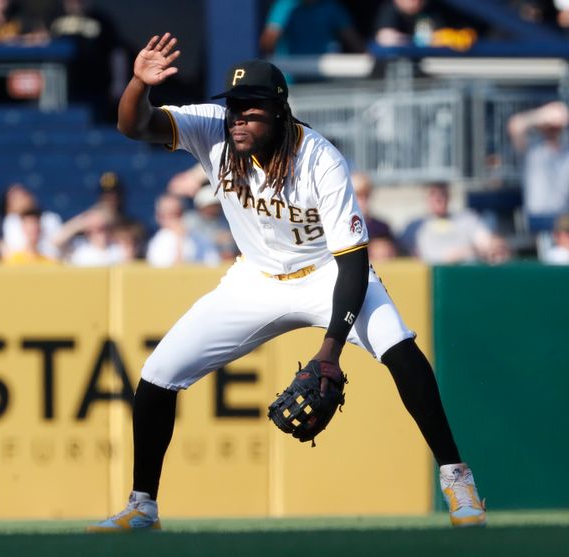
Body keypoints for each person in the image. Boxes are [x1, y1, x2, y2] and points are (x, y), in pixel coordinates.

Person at [88, 33, 486, 532]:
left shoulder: (320, 159)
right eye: (234, 109)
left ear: (280, 112)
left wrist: (330, 351)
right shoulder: (214, 128)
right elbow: (134, 125)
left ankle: (457, 478)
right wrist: (137, 85)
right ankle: (142, 505)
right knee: (157, 377)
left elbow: (354, 262)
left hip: (327, 273)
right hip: (254, 278)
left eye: (251, 111)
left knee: (401, 349)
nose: (238, 120)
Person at [414, 182, 507, 265]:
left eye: (442, 194)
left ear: (449, 196)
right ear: (426, 199)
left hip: (470, 275)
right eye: (433, 194)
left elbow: (485, 242)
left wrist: (494, 246)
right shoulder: (421, 229)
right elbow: (436, 261)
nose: (438, 198)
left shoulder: (467, 219)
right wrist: (468, 251)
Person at [507, 100, 569, 222]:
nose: (553, 130)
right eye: (549, 126)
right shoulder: (532, 149)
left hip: (564, 218)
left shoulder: (566, 151)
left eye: (556, 127)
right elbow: (515, 125)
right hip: (538, 217)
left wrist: (563, 115)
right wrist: (542, 115)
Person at [259, 0, 364, 56]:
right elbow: (267, 43)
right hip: (290, 79)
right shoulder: (285, 5)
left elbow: (351, 38)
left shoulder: (331, 7)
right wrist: (275, 29)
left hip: (323, 80)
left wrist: (369, 60)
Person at [145, 193, 220, 267]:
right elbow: (166, 273)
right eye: (168, 214)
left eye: (178, 213)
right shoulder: (159, 241)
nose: (174, 219)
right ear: (158, 217)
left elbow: (213, 263)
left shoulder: (199, 238)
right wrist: (178, 241)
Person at [351, 171, 398, 261]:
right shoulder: (337, 227)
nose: (362, 200)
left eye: (366, 195)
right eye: (358, 195)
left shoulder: (381, 227)